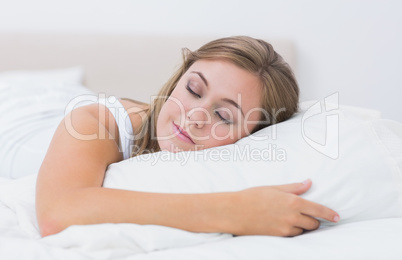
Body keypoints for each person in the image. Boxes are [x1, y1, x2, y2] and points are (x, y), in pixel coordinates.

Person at [36, 36, 340, 238]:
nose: (194, 117)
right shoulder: (94, 122)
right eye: (193, 89)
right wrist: (234, 211)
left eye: (223, 116)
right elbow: (57, 213)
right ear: (177, 79)